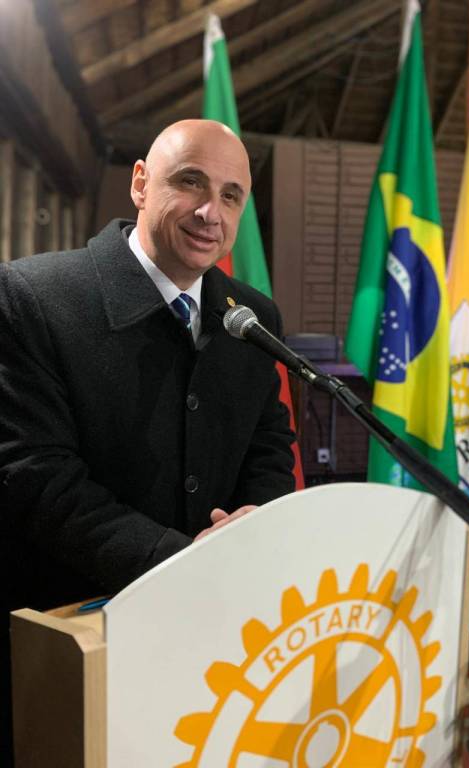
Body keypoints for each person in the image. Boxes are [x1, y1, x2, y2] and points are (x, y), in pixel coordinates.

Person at [0, 120, 295, 762]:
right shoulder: (32, 297)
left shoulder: (252, 316)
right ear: (140, 183)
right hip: (79, 627)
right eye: (190, 182)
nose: (210, 212)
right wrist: (182, 563)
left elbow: (269, 444)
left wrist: (256, 523)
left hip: (219, 629)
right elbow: (34, 475)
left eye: (231, 195)